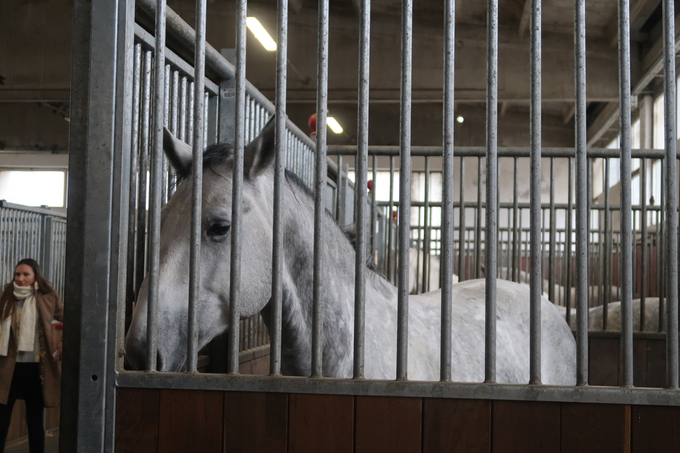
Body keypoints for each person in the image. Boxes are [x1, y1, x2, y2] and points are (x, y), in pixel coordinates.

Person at [0, 259, 63, 453]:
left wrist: (62, 343)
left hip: (37, 367)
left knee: (35, 420)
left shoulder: (47, 296)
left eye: (26, 274)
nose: (20, 278)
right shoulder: (7, 296)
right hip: (8, 366)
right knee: (2, 418)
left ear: (36, 275)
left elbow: (70, 318)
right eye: (18, 274)